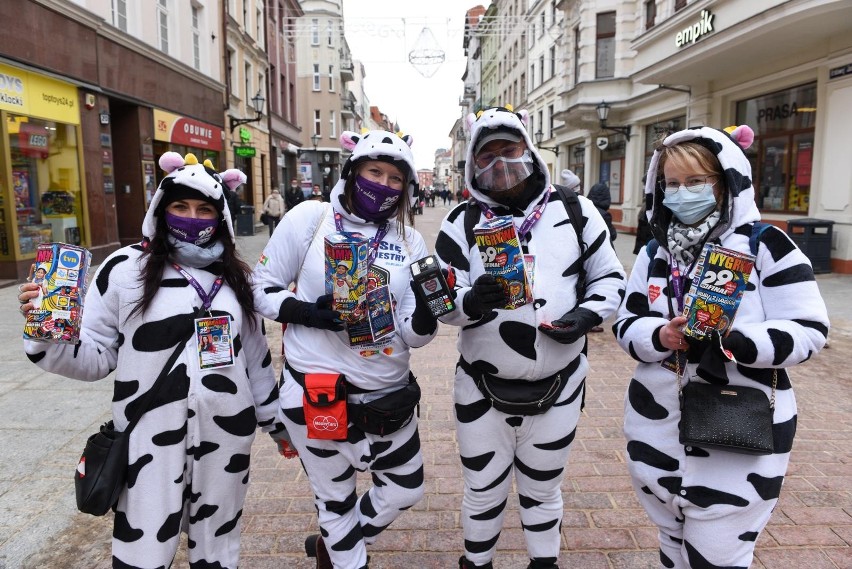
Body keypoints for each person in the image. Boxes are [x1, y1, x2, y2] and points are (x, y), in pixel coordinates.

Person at [17, 152, 286, 568]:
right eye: (180, 206)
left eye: (204, 209)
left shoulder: (236, 278)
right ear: (161, 209)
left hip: (227, 441)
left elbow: (256, 363)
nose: (192, 218)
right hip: (148, 442)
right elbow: (95, 356)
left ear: (221, 218)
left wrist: (278, 425)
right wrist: (46, 334)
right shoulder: (125, 270)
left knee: (218, 548)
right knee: (142, 550)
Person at [612, 125, 829, 568]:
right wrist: (661, 336)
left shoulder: (765, 244)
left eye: (695, 182)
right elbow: (627, 322)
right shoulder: (656, 252)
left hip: (737, 431)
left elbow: (809, 328)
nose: (681, 192)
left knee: (719, 554)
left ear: (726, 182)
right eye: (671, 183)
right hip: (659, 430)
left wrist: (738, 342)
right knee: (672, 544)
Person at [434, 106, 625, 569]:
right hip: (481, 386)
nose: (500, 163)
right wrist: (471, 303)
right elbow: (440, 301)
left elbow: (611, 279)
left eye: (509, 150)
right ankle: (476, 563)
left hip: (560, 384)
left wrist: (586, 316)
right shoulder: (461, 222)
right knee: (482, 490)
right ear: (472, 164)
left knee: (544, 489)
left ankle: (544, 563)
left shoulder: (577, 212)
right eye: (487, 155)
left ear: (529, 149)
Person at [253, 129, 439, 569]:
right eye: (375, 172)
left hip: (386, 397)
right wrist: (306, 312)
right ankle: (345, 556)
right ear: (353, 172)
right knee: (334, 502)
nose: (385, 186)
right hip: (319, 394)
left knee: (405, 488)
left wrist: (429, 314)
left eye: (396, 179)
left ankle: (337, 543)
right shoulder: (309, 220)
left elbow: (414, 335)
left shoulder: (409, 241)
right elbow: (260, 289)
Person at [633, 175, 654, 254]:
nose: (644, 187)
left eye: (645, 184)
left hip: (648, 241)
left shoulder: (652, 201)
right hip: (643, 239)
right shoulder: (646, 200)